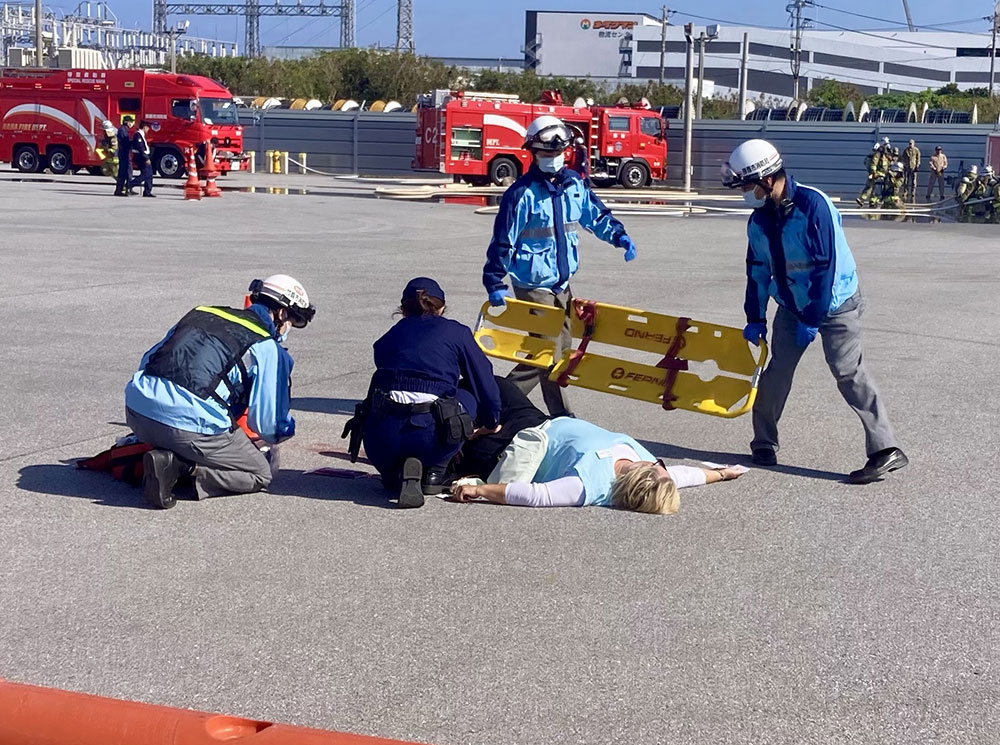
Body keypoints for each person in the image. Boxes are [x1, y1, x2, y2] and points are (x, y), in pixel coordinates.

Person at [721, 139, 908, 484]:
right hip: (793, 304)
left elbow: (826, 268)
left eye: (747, 185)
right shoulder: (759, 221)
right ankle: (764, 442)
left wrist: (813, 317)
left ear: (765, 179)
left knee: (848, 371)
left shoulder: (814, 205)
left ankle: (886, 450)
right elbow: (757, 269)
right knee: (776, 372)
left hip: (836, 303)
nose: (745, 192)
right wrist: (754, 317)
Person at [483, 115, 638, 417]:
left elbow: (596, 216)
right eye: (546, 153)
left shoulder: (574, 186)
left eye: (557, 152)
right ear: (533, 153)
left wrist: (620, 237)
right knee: (543, 350)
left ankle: (558, 415)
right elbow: (503, 241)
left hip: (562, 286)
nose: (552, 158)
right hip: (532, 285)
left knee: (560, 353)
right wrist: (495, 283)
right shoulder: (522, 194)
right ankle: (496, 406)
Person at [124, 275, 315, 508]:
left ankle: (155, 453)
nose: (289, 328)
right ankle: (179, 468)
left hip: (136, 411)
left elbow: (148, 360)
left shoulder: (201, 312)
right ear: (282, 314)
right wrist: (285, 429)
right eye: (294, 321)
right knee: (260, 473)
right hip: (187, 429)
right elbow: (269, 427)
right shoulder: (267, 346)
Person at [358, 277, 503, 508]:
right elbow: (484, 380)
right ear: (442, 307)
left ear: (403, 310)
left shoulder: (387, 339)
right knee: (467, 394)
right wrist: (491, 419)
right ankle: (435, 471)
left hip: (381, 440)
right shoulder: (457, 332)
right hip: (433, 437)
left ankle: (392, 472)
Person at [449, 416, 744, 512]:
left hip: (521, 445)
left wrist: (482, 492)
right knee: (493, 386)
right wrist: (722, 474)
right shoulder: (656, 472)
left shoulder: (589, 487)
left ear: (643, 478)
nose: (663, 466)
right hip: (547, 419)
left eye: (659, 468)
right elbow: (685, 475)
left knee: (465, 414)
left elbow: (536, 495)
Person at [130, 120, 155, 198]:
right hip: (140, 157)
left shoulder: (141, 135)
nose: (148, 129)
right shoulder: (138, 135)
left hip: (143, 156)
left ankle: (147, 191)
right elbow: (140, 148)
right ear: (144, 127)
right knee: (145, 174)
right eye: (148, 127)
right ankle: (130, 184)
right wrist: (146, 158)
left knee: (149, 174)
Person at [856, 143, 882, 207]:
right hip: (876, 174)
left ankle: (864, 200)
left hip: (873, 173)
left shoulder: (872, 156)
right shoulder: (878, 156)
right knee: (874, 188)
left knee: (870, 187)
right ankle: (870, 201)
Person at [114, 115, 134, 196]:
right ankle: (124, 189)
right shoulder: (122, 130)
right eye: (130, 122)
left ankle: (123, 189)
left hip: (125, 153)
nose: (131, 123)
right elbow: (125, 142)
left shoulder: (124, 129)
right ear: (126, 122)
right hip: (124, 154)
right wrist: (133, 142)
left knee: (124, 172)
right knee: (126, 172)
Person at [902, 139, 920, 203]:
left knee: (913, 181)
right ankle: (905, 192)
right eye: (909, 143)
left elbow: (918, 158)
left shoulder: (916, 150)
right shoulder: (906, 150)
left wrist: (917, 165)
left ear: (914, 143)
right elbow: (903, 158)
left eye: (911, 143)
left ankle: (913, 192)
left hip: (913, 167)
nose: (910, 145)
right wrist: (904, 165)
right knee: (906, 180)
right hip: (907, 167)